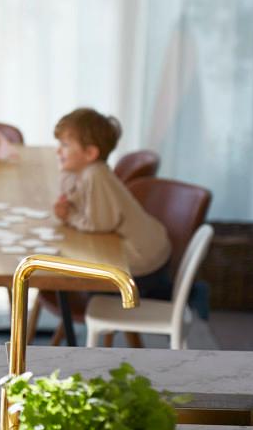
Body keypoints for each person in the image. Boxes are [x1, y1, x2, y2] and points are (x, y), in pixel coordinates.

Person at [52, 107, 173, 295]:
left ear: (90, 153)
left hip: (143, 263)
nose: (58, 150)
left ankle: (189, 294)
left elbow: (97, 224)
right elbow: (73, 195)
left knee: (76, 268)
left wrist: (69, 216)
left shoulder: (95, 175)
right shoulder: (85, 171)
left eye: (65, 145)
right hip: (146, 248)